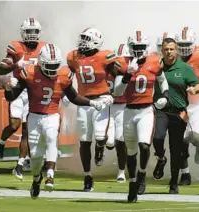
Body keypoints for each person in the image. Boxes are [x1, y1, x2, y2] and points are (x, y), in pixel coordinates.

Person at [3, 44, 104, 198]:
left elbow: (74, 97)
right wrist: (8, 87)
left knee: (51, 139)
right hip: (34, 116)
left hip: (52, 115)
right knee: (36, 157)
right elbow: (11, 97)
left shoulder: (63, 74)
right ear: (41, 63)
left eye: (55, 65)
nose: (52, 69)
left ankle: (50, 174)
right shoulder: (30, 72)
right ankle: (37, 178)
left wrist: (91, 103)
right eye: (49, 65)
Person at [113, 30, 169, 203]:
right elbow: (116, 92)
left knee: (144, 146)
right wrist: (128, 74)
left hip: (146, 110)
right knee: (131, 152)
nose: (138, 50)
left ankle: (142, 174)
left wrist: (165, 95)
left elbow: (162, 80)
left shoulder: (154, 61)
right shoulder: (123, 64)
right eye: (135, 47)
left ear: (146, 47)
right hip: (129, 110)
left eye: (141, 47)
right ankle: (132, 183)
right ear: (130, 48)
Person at [0, 17, 46, 181]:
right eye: (29, 31)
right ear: (23, 32)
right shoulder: (16, 47)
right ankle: (1, 142)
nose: (32, 35)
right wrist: (16, 65)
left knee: (26, 130)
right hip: (18, 90)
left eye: (35, 31)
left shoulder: (44, 48)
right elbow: (1, 69)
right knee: (13, 125)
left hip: (33, 91)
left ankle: (19, 165)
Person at [67, 27, 116, 192]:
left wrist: (113, 94)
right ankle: (88, 176)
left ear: (96, 41)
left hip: (101, 100)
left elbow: (120, 75)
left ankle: (100, 147)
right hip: (84, 102)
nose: (82, 41)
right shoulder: (73, 57)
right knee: (84, 141)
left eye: (86, 38)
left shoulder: (104, 56)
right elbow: (67, 77)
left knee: (101, 136)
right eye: (82, 38)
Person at [152, 37, 199, 194]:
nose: (169, 52)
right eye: (166, 49)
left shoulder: (184, 68)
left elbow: (198, 84)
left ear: (177, 50)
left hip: (178, 112)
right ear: (162, 51)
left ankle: (174, 182)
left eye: (171, 49)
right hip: (161, 110)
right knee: (157, 138)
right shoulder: (156, 66)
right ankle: (161, 158)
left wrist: (195, 90)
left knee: (176, 148)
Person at [106, 43, 130, 183]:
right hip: (108, 106)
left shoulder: (132, 71)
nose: (121, 64)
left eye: (125, 60)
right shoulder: (104, 70)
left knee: (121, 140)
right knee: (109, 141)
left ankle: (121, 171)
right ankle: (99, 149)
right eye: (118, 61)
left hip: (123, 107)